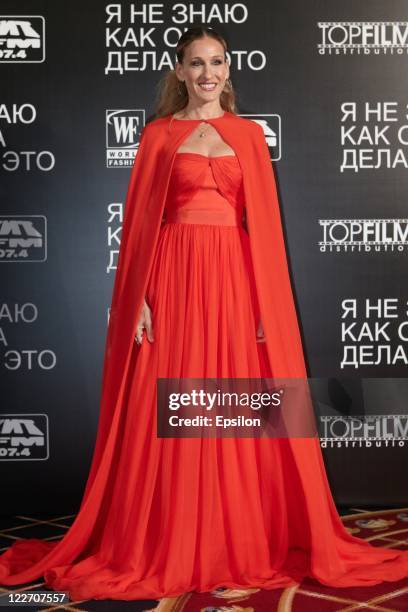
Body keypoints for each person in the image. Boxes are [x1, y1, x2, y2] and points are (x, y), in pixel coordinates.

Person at [1, 24, 408, 603]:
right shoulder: (158, 137)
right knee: (169, 401)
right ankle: (169, 541)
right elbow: (142, 229)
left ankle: (231, 539)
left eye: (216, 62)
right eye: (196, 63)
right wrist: (138, 296)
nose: (207, 73)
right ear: (179, 72)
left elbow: (263, 229)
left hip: (235, 282)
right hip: (173, 279)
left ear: (228, 69)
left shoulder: (248, 137)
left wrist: (269, 303)